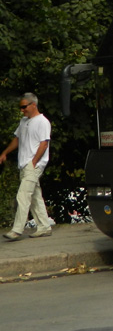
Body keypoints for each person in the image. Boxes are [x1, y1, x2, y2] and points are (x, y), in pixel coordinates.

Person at [1, 93, 53, 241]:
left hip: (33, 165)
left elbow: (44, 143)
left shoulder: (42, 122)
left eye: (24, 107)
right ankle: (44, 226)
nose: (22, 110)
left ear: (33, 105)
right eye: (21, 107)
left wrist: (34, 162)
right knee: (35, 197)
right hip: (24, 164)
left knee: (23, 196)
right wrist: (4, 153)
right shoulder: (24, 121)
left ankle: (17, 230)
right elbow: (17, 139)